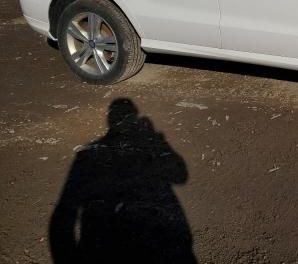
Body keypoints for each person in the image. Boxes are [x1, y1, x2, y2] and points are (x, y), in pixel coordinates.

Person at [49, 98, 197, 264]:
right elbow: (180, 176)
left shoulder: (87, 155)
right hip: (123, 243)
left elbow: (64, 213)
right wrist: (159, 142)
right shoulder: (88, 156)